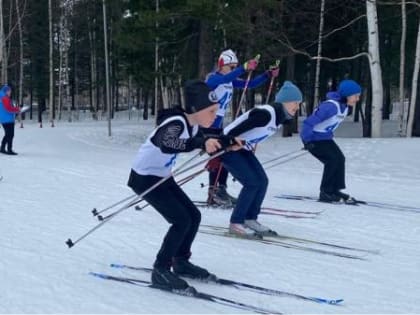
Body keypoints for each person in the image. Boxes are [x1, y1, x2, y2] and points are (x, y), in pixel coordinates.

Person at [127, 80, 241, 291]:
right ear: (196, 109)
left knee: (193, 216)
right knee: (180, 220)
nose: (215, 115)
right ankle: (161, 269)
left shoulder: (194, 124)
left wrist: (228, 142)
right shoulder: (176, 122)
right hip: (145, 178)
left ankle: (180, 261)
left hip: (161, 175)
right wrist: (199, 143)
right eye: (212, 111)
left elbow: (206, 139)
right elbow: (167, 142)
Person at [221, 81, 302, 237]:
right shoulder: (266, 114)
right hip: (226, 148)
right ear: (284, 101)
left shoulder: (278, 117)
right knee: (252, 183)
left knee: (262, 181)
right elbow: (233, 130)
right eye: (295, 103)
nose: (297, 107)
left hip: (242, 149)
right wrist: (229, 142)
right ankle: (236, 222)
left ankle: (250, 218)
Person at [204, 49, 279, 207]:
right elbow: (225, 78)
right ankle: (213, 192)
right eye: (231, 67)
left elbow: (250, 84)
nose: (233, 71)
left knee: (225, 154)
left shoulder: (229, 80)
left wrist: (267, 75)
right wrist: (243, 68)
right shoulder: (213, 78)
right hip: (207, 123)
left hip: (218, 124)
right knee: (218, 156)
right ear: (222, 65)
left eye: (235, 67)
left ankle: (220, 189)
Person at [300, 79, 362, 203]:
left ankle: (334, 190)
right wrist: (306, 141)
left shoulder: (344, 107)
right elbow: (308, 123)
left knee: (340, 159)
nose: (357, 99)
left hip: (325, 138)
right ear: (347, 95)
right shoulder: (330, 106)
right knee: (332, 160)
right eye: (356, 96)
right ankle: (326, 192)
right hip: (314, 139)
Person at [0, 85, 20, 155]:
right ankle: (9, 149)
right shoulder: (5, 98)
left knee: (8, 134)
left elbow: (8, 107)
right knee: (10, 135)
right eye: (9, 91)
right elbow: (8, 109)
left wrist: (15, 109)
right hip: (7, 119)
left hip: (5, 119)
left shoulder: (2, 97)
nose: (10, 92)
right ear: (6, 91)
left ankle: (2, 148)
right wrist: (17, 110)